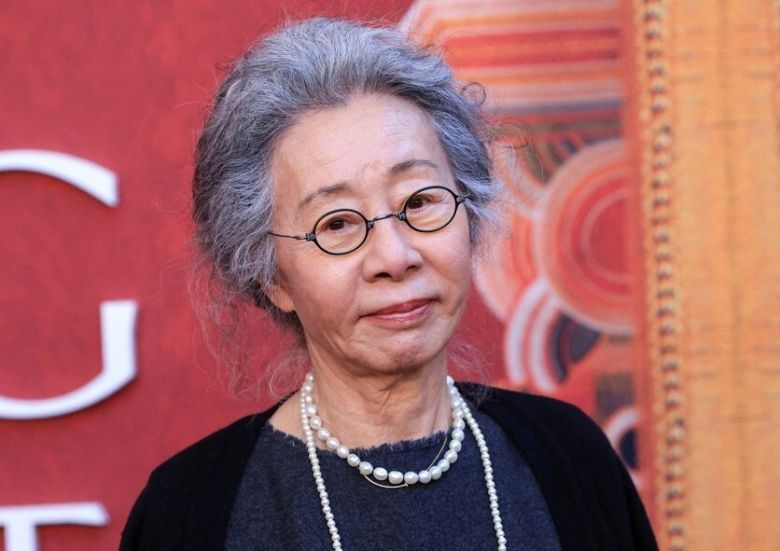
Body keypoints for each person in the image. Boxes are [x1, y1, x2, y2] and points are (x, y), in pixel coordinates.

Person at [120, 17, 658, 551]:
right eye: (337, 224)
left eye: (419, 202)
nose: (395, 257)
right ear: (271, 275)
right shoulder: (190, 514)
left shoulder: (570, 460)